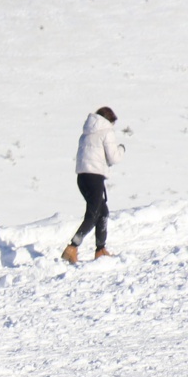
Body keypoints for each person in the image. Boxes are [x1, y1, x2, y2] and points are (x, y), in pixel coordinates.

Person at [62, 106, 125, 263]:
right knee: (93, 215)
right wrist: (121, 149)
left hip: (82, 177)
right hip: (95, 177)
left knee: (102, 212)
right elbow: (114, 158)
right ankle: (72, 247)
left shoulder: (86, 132)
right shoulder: (107, 132)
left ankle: (100, 249)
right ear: (109, 120)